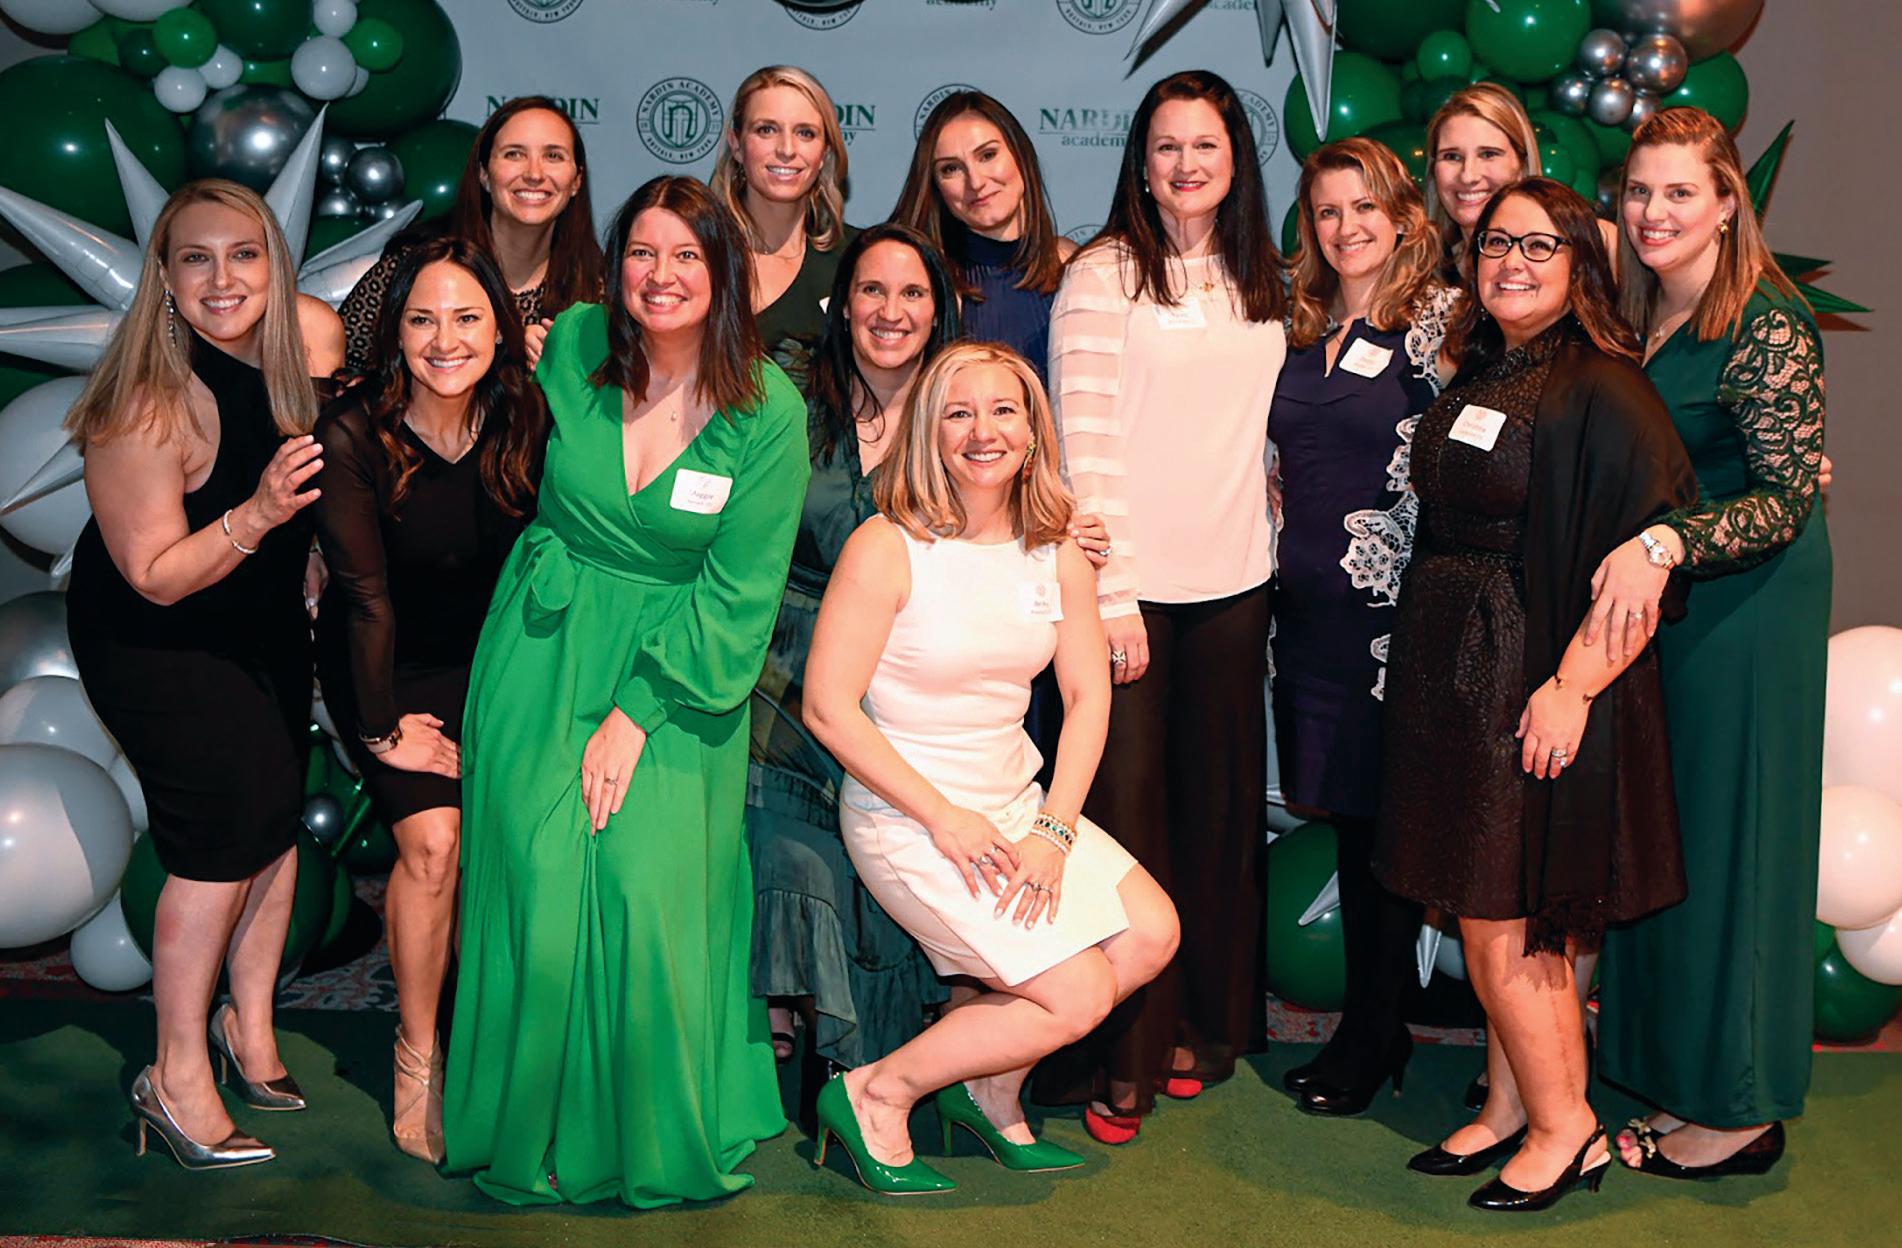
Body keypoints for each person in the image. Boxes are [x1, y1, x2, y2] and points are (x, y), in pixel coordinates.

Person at [441, 176, 806, 1207]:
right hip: (543, 646)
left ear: (725, 271)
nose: (661, 275)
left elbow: (741, 595)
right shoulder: (571, 344)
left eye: (687, 255)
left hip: (683, 677)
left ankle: (643, 1127)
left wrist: (636, 715)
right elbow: (450, 384)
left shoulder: (768, 411)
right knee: (537, 883)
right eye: (641, 253)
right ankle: (527, 1124)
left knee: (646, 893)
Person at [1373, 178, 1696, 1212]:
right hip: (1453, 676)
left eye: (1537, 245)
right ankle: (1511, 1105)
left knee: (1506, 917)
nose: (1510, 262)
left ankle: (1569, 1130)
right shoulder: (1488, 367)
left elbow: (1645, 574)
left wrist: (1570, 687)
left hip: (1528, 676)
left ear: (1579, 264)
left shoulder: (1605, 387)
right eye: (1494, 243)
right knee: (1481, 901)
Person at [802, 342, 1180, 1194]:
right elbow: (827, 707)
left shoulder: (1056, 551)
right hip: (911, 818)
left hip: (1017, 808)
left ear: (1033, 429)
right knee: (1078, 993)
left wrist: (1053, 831)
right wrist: (945, 819)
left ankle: (987, 1088)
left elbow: (1087, 698)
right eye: (959, 413)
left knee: (1151, 932)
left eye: (1004, 410)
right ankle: (874, 1094)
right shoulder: (885, 546)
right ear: (930, 433)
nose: (984, 432)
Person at [1036, 68, 1287, 1143]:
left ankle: (1201, 1027)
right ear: (1140, 165)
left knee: (1218, 818)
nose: (1187, 164)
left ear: (1237, 162)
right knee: (1124, 824)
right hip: (1129, 599)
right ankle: (1118, 1055)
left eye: (1206, 146)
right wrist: (1114, 595)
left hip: (1238, 587)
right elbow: (1083, 443)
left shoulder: (1263, 277)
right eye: (1168, 146)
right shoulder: (1102, 276)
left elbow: (1263, 423)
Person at [64, 180, 330, 1170]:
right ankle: (173, 1076)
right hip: (157, 640)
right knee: (221, 843)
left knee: (275, 826)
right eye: (196, 258)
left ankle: (246, 1028)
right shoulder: (142, 401)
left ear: (274, 266)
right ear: (164, 279)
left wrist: (302, 550)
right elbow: (155, 575)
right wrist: (261, 516)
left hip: (258, 621)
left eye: (244, 254)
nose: (224, 278)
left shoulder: (287, 359)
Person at [1591, 107, 1831, 1181]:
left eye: (1681, 192)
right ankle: (1674, 1074)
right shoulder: (1649, 306)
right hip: (1680, 607)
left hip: (1751, 611)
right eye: (1640, 191)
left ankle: (1737, 1113)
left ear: (1729, 202)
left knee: (1735, 844)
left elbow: (1783, 499)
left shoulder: (1767, 322)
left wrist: (1662, 542)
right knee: (1671, 836)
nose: (1655, 212)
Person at [311, 238, 547, 1163]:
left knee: (512, 851)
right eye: (421, 320)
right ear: (394, 333)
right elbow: (363, 597)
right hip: (387, 667)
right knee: (436, 844)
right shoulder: (353, 432)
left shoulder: (529, 414)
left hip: (500, 665)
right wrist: (380, 730)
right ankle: (418, 1051)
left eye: (466, 317)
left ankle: (498, 1036)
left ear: (502, 327)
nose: (444, 340)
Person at [746, 223, 963, 1071]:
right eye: (872, 290)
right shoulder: (790, 399)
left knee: (884, 855)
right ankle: (780, 1010)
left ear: (938, 310)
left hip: (903, 676)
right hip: (783, 671)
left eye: (912, 293)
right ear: (843, 305)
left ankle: (864, 1049)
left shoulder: (963, 413)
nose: (891, 311)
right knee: (787, 847)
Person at [1270, 138, 1457, 1116]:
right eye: (1327, 211)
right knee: (1350, 820)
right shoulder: (1294, 327)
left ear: (1401, 215)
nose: (1346, 228)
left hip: (1397, 621)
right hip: (1306, 623)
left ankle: (1376, 1032)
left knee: (1389, 827)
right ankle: (1372, 1024)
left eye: (1364, 207)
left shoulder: (1442, 323)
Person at [338, 95, 602, 373]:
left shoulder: (598, 289)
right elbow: (337, 369)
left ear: (576, 180)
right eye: (514, 154)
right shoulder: (414, 267)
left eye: (553, 156)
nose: (534, 174)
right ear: (484, 174)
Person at [891, 89, 1076, 377]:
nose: (976, 182)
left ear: (1021, 156)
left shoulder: (1077, 267)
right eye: (951, 169)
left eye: (988, 155)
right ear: (935, 186)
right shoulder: (927, 282)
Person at [711, 65, 856, 362]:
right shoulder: (695, 253)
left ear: (824, 153)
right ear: (736, 144)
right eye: (766, 130)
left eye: (805, 133)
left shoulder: (856, 260)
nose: (787, 149)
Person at [1426, 84, 1618, 288]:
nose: (1468, 176)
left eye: (1488, 154)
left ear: (1522, 164)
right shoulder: (1423, 268)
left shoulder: (1594, 242)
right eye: (1452, 157)